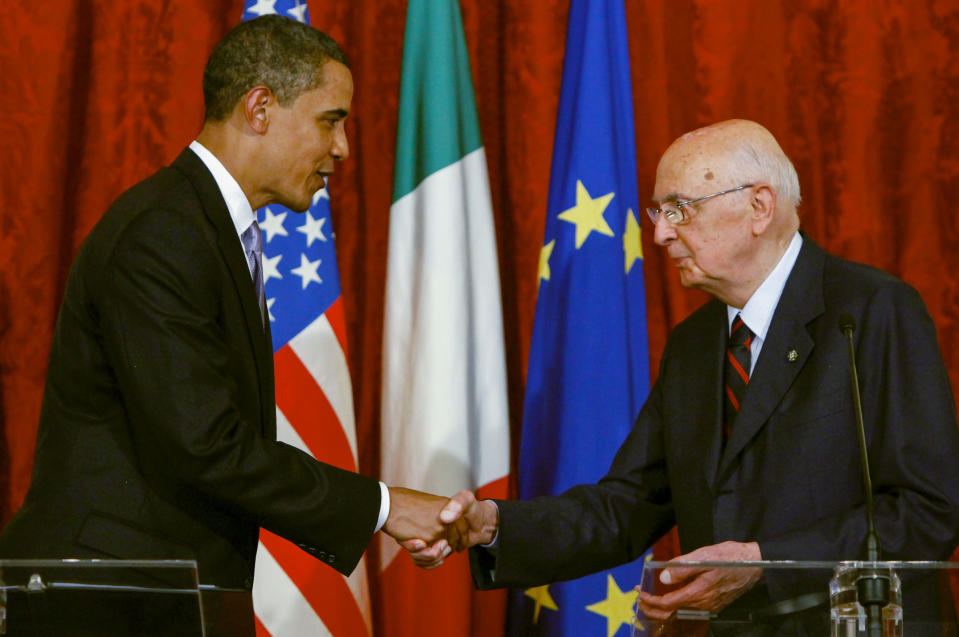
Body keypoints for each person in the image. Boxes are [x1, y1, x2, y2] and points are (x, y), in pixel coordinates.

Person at [0, 15, 450, 635]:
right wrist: (384, 506)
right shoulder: (162, 233)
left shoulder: (207, 229)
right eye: (331, 119)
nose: (343, 148)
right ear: (260, 107)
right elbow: (205, 445)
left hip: (165, 595)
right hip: (104, 600)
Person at [417, 119, 959, 630]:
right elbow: (626, 506)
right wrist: (495, 526)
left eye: (680, 208)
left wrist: (764, 563)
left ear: (759, 207)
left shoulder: (869, 313)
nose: (660, 236)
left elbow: (929, 510)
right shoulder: (693, 346)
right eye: (658, 212)